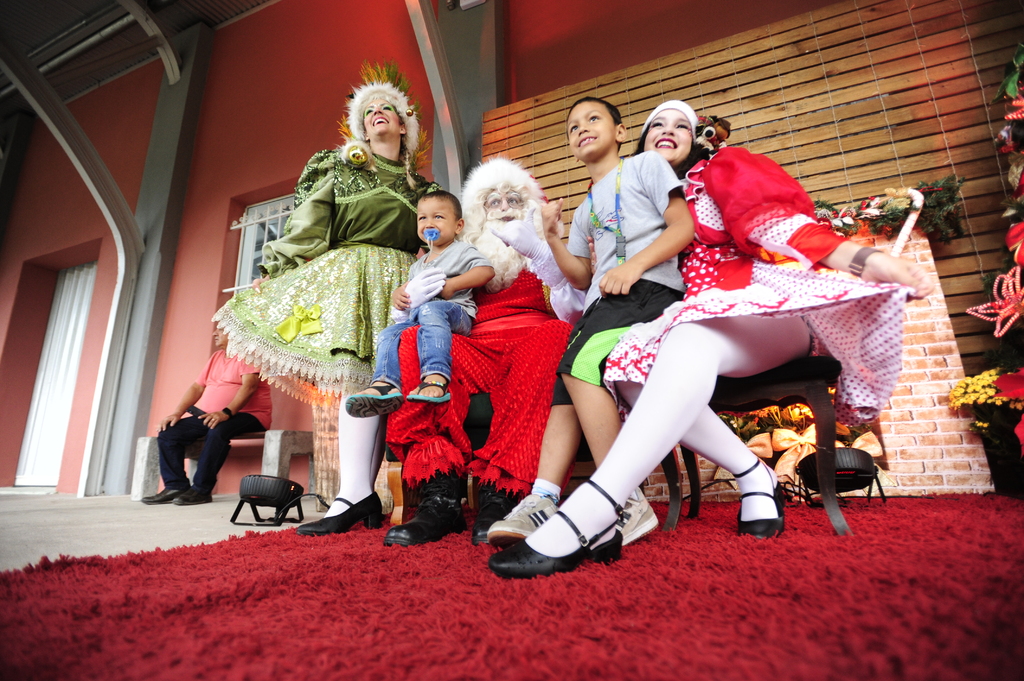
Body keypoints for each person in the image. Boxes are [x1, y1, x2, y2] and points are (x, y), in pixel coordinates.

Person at [489, 99, 934, 578]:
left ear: (697, 138)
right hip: (690, 320)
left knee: (679, 340)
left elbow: (771, 219)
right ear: (639, 140)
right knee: (631, 371)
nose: (668, 129)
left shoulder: (720, 170)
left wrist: (862, 260)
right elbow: (586, 276)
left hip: (762, 309)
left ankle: (601, 507)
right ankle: (753, 473)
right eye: (657, 123)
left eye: (682, 124)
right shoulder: (639, 194)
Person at [213, 64, 440, 530]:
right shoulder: (337, 169)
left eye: (387, 109)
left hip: (400, 284)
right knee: (357, 381)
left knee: (381, 384)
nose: (377, 114)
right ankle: (353, 494)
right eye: (369, 110)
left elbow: (441, 241)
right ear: (361, 127)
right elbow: (308, 226)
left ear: (404, 123)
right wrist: (274, 270)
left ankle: (363, 495)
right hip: (349, 277)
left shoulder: (424, 189)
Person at [483, 101, 711, 548]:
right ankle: (543, 498)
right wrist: (551, 237)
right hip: (606, 301)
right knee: (565, 387)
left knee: (578, 366)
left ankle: (621, 497)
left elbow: (683, 227)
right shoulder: (586, 205)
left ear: (622, 131)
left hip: (648, 290)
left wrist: (634, 267)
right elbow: (583, 276)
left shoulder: (647, 165)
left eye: (593, 120)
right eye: (572, 127)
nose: (581, 129)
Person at [345, 190, 494, 415]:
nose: (429, 222)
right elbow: (411, 290)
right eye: (422, 218)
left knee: (430, 309)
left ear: (458, 226)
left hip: (457, 313)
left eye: (438, 217)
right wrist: (399, 294)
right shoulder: (419, 264)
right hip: (420, 316)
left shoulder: (462, 250)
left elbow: (486, 271)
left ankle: (436, 375)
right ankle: (385, 383)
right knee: (390, 332)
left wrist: (452, 285)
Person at [141, 329, 272, 506]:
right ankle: (176, 485)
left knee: (217, 430)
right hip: (212, 416)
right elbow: (197, 388)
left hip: (250, 415)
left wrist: (226, 413)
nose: (214, 333)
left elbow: (249, 387)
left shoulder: (248, 355)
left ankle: (202, 490)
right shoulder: (217, 357)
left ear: (235, 333)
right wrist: (176, 414)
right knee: (169, 432)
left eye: (220, 329)